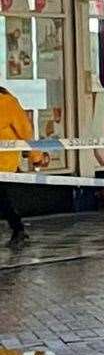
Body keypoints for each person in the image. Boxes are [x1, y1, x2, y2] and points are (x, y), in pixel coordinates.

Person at [0, 85, 43, 246]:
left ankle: (18, 229)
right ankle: (18, 229)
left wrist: (35, 157)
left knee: (2, 198)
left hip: (3, 163)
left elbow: (25, 133)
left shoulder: (8, 103)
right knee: (2, 199)